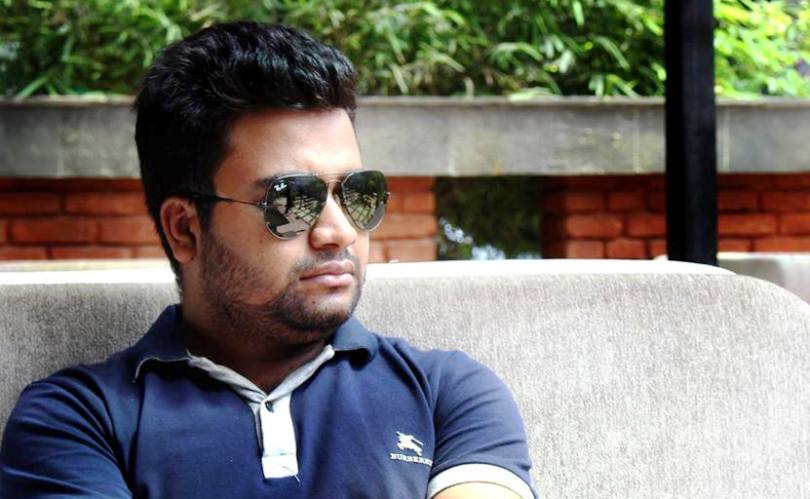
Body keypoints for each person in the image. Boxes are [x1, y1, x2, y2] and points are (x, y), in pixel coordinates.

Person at [0, 22, 536, 499]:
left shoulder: (447, 393)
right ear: (185, 228)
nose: (339, 231)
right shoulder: (78, 420)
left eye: (357, 193)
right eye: (291, 200)